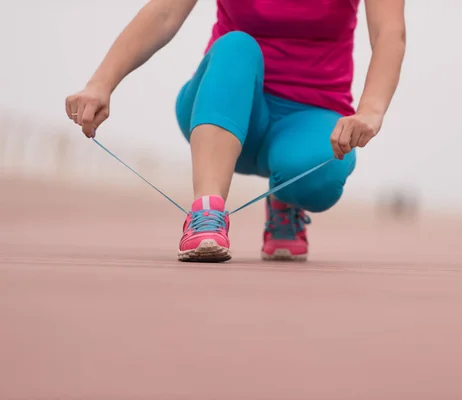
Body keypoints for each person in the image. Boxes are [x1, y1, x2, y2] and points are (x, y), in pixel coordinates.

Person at [65, 0, 407, 262]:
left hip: (311, 114)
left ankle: (284, 200)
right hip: (224, 103)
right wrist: (101, 83)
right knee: (236, 46)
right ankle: (206, 211)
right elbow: (165, 12)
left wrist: (371, 111)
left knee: (320, 174)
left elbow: (388, 32)